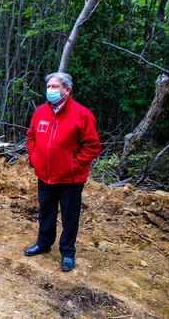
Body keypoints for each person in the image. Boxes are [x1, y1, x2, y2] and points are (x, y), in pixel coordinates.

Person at [24, 72, 101, 271]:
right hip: (45, 175)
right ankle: (43, 243)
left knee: (69, 216)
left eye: (55, 87)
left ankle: (67, 252)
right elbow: (31, 135)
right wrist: (34, 158)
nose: (50, 90)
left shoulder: (81, 114)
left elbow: (92, 146)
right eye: (49, 87)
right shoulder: (41, 111)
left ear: (67, 90)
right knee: (46, 212)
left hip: (71, 179)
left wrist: (74, 165)